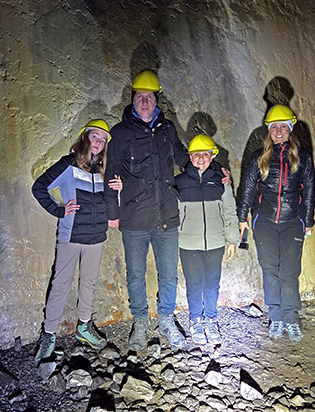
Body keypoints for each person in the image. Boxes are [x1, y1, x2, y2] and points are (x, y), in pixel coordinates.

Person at [104, 70, 190, 351]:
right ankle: (140, 321)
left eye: (149, 97)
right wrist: (113, 213)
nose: (144, 102)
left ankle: (166, 320)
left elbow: (184, 158)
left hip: (166, 216)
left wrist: (212, 170)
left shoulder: (167, 129)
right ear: (133, 99)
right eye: (140, 97)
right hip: (134, 218)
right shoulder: (120, 133)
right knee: (135, 275)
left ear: (156, 100)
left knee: (169, 274)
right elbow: (110, 174)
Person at [32, 119, 121, 362]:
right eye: (95, 136)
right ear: (85, 137)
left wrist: (120, 188)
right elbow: (39, 187)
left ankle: (84, 326)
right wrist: (59, 210)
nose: (98, 142)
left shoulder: (105, 170)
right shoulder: (68, 165)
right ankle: (49, 334)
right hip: (71, 235)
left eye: (103, 140)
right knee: (61, 284)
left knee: (88, 283)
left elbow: (112, 200)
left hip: (96, 236)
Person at [238, 105, 315, 343]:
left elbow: (309, 190)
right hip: (265, 222)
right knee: (270, 270)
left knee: (289, 272)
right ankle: (276, 317)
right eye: (274, 127)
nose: (279, 131)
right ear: (269, 131)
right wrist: (242, 218)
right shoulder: (259, 157)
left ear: (290, 129)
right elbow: (247, 188)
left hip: (293, 221)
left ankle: (291, 318)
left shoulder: (303, 157)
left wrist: (308, 220)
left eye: (283, 127)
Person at [175, 135, 238, 345]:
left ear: (212, 156)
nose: (201, 158)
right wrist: (174, 243)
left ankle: (211, 319)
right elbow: (174, 214)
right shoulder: (179, 182)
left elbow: (229, 210)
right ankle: (195, 321)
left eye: (205, 154)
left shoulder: (221, 181)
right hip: (188, 244)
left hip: (215, 242)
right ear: (190, 157)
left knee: (212, 284)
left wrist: (232, 240)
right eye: (196, 154)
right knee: (194, 284)